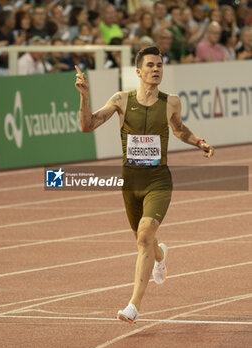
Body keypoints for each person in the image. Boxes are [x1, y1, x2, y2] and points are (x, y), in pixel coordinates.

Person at [75, 46, 214, 323]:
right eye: (150, 65)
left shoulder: (171, 102)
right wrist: (85, 97)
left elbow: (179, 129)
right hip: (130, 182)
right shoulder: (121, 100)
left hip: (159, 180)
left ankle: (133, 306)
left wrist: (199, 141)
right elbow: (87, 125)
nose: (156, 70)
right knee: (147, 243)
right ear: (138, 72)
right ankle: (161, 256)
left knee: (143, 238)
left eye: (159, 65)